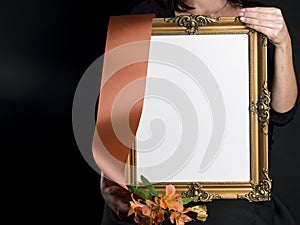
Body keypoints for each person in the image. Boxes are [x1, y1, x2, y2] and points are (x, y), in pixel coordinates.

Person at [99, 0, 298, 224]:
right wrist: (109, 179)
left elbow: (282, 113)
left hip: (236, 186)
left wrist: (283, 44)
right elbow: (114, 109)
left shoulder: (259, 16)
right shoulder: (147, 12)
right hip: (159, 182)